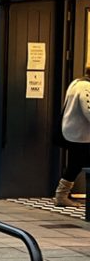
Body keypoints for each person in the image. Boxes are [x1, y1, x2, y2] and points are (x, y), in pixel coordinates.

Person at [56, 67, 90, 206]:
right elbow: (88, 109)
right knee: (76, 164)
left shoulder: (76, 82)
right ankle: (61, 196)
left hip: (73, 132)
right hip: (79, 134)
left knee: (75, 164)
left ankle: (61, 195)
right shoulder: (85, 86)